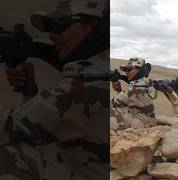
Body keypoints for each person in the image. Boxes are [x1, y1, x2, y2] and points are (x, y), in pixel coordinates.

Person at [0, 0, 108, 179]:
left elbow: (10, 128)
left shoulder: (85, 81)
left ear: (94, 26)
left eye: (61, 25)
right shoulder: (104, 66)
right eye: (50, 27)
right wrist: (28, 92)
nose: (51, 35)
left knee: (8, 153)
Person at [111, 57, 157, 130]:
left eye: (129, 70)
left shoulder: (138, 85)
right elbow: (129, 101)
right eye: (126, 70)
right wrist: (118, 90)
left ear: (138, 70)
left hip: (142, 124)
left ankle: (119, 130)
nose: (126, 73)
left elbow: (115, 101)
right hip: (147, 120)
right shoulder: (146, 82)